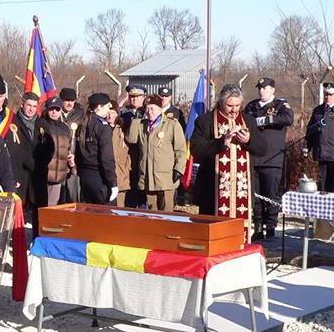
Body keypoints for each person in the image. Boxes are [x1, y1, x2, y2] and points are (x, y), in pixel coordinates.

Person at [190, 84, 267, 242]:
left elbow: (262, 149)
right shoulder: (205, 121)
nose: (234, 110)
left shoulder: (248, 121)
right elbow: (196, 149)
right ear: (221, 102)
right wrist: (222, 142)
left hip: (241, 190)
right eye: (230, 106)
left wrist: (249, 140)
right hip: (212, 191)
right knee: (211, 237)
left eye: (237, 106)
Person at [244, 77, 294, 240]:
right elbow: (243, 121)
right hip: (254, 157)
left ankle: (271, 227)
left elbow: (287, 119)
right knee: (256, 196)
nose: (261, 91)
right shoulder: (252, 106)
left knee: (271, 194)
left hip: (272, 158)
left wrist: (265, 120)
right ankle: (258, 226)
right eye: (259, 88)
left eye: (264, 88)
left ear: (272, 89)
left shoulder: (280, 105)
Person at [126, 94, 187, 211]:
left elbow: (180, 150)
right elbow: (131, 139)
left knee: (166, 211)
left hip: (166, 177)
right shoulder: (142, 125)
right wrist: (136, 119)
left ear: (160, 108)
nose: (149, 112)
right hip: (147, 177)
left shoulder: (171, 124)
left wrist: (179, 169)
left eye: (152, 108)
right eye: (147, 109)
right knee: (152, 213)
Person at [74, 93, 117, 205]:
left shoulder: (83, 124)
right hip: (99, 177)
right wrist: (112, 182)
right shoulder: (103, 126)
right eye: (107, 107)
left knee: (88, 211)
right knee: (106, 213)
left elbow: (78, 153)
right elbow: (106, 158)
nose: (108, 110)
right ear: (99, 107)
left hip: (85, 176)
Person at [34, 97, 73, 208]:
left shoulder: (65, 128)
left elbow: (68, 147)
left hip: (58, 176)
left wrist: (70, 158)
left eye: (57, 109)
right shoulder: (40, 125)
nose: (54, 112)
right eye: (51, 109)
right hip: (43, 174)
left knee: (53, 207)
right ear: (47, 109)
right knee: (41, 207)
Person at [7, 92, 39, 225]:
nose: (31, 109)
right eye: (29, 105)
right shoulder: (12, 122)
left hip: (36, 173)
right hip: (19, 173)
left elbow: (49, 147)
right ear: (22, 105)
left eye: (34, 106)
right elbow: (13, 149)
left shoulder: (41, 123)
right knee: (16, 213)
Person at [59, 87, 83, 204]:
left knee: (74, 197)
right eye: (66, 100)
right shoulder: (55, 113)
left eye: (72, 101)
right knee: (59, 198)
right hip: (58, 162)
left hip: (74, 162)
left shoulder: (80, 115)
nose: (69, 103)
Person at [107, 100, 132, 207]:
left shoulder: (123, 129)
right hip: (106, 174)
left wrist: (127, 169)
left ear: (117, 113)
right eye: (108, 112)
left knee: (119, 206)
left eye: (112, 112)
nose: (109, 116)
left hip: (121, 173)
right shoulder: (101, 128)